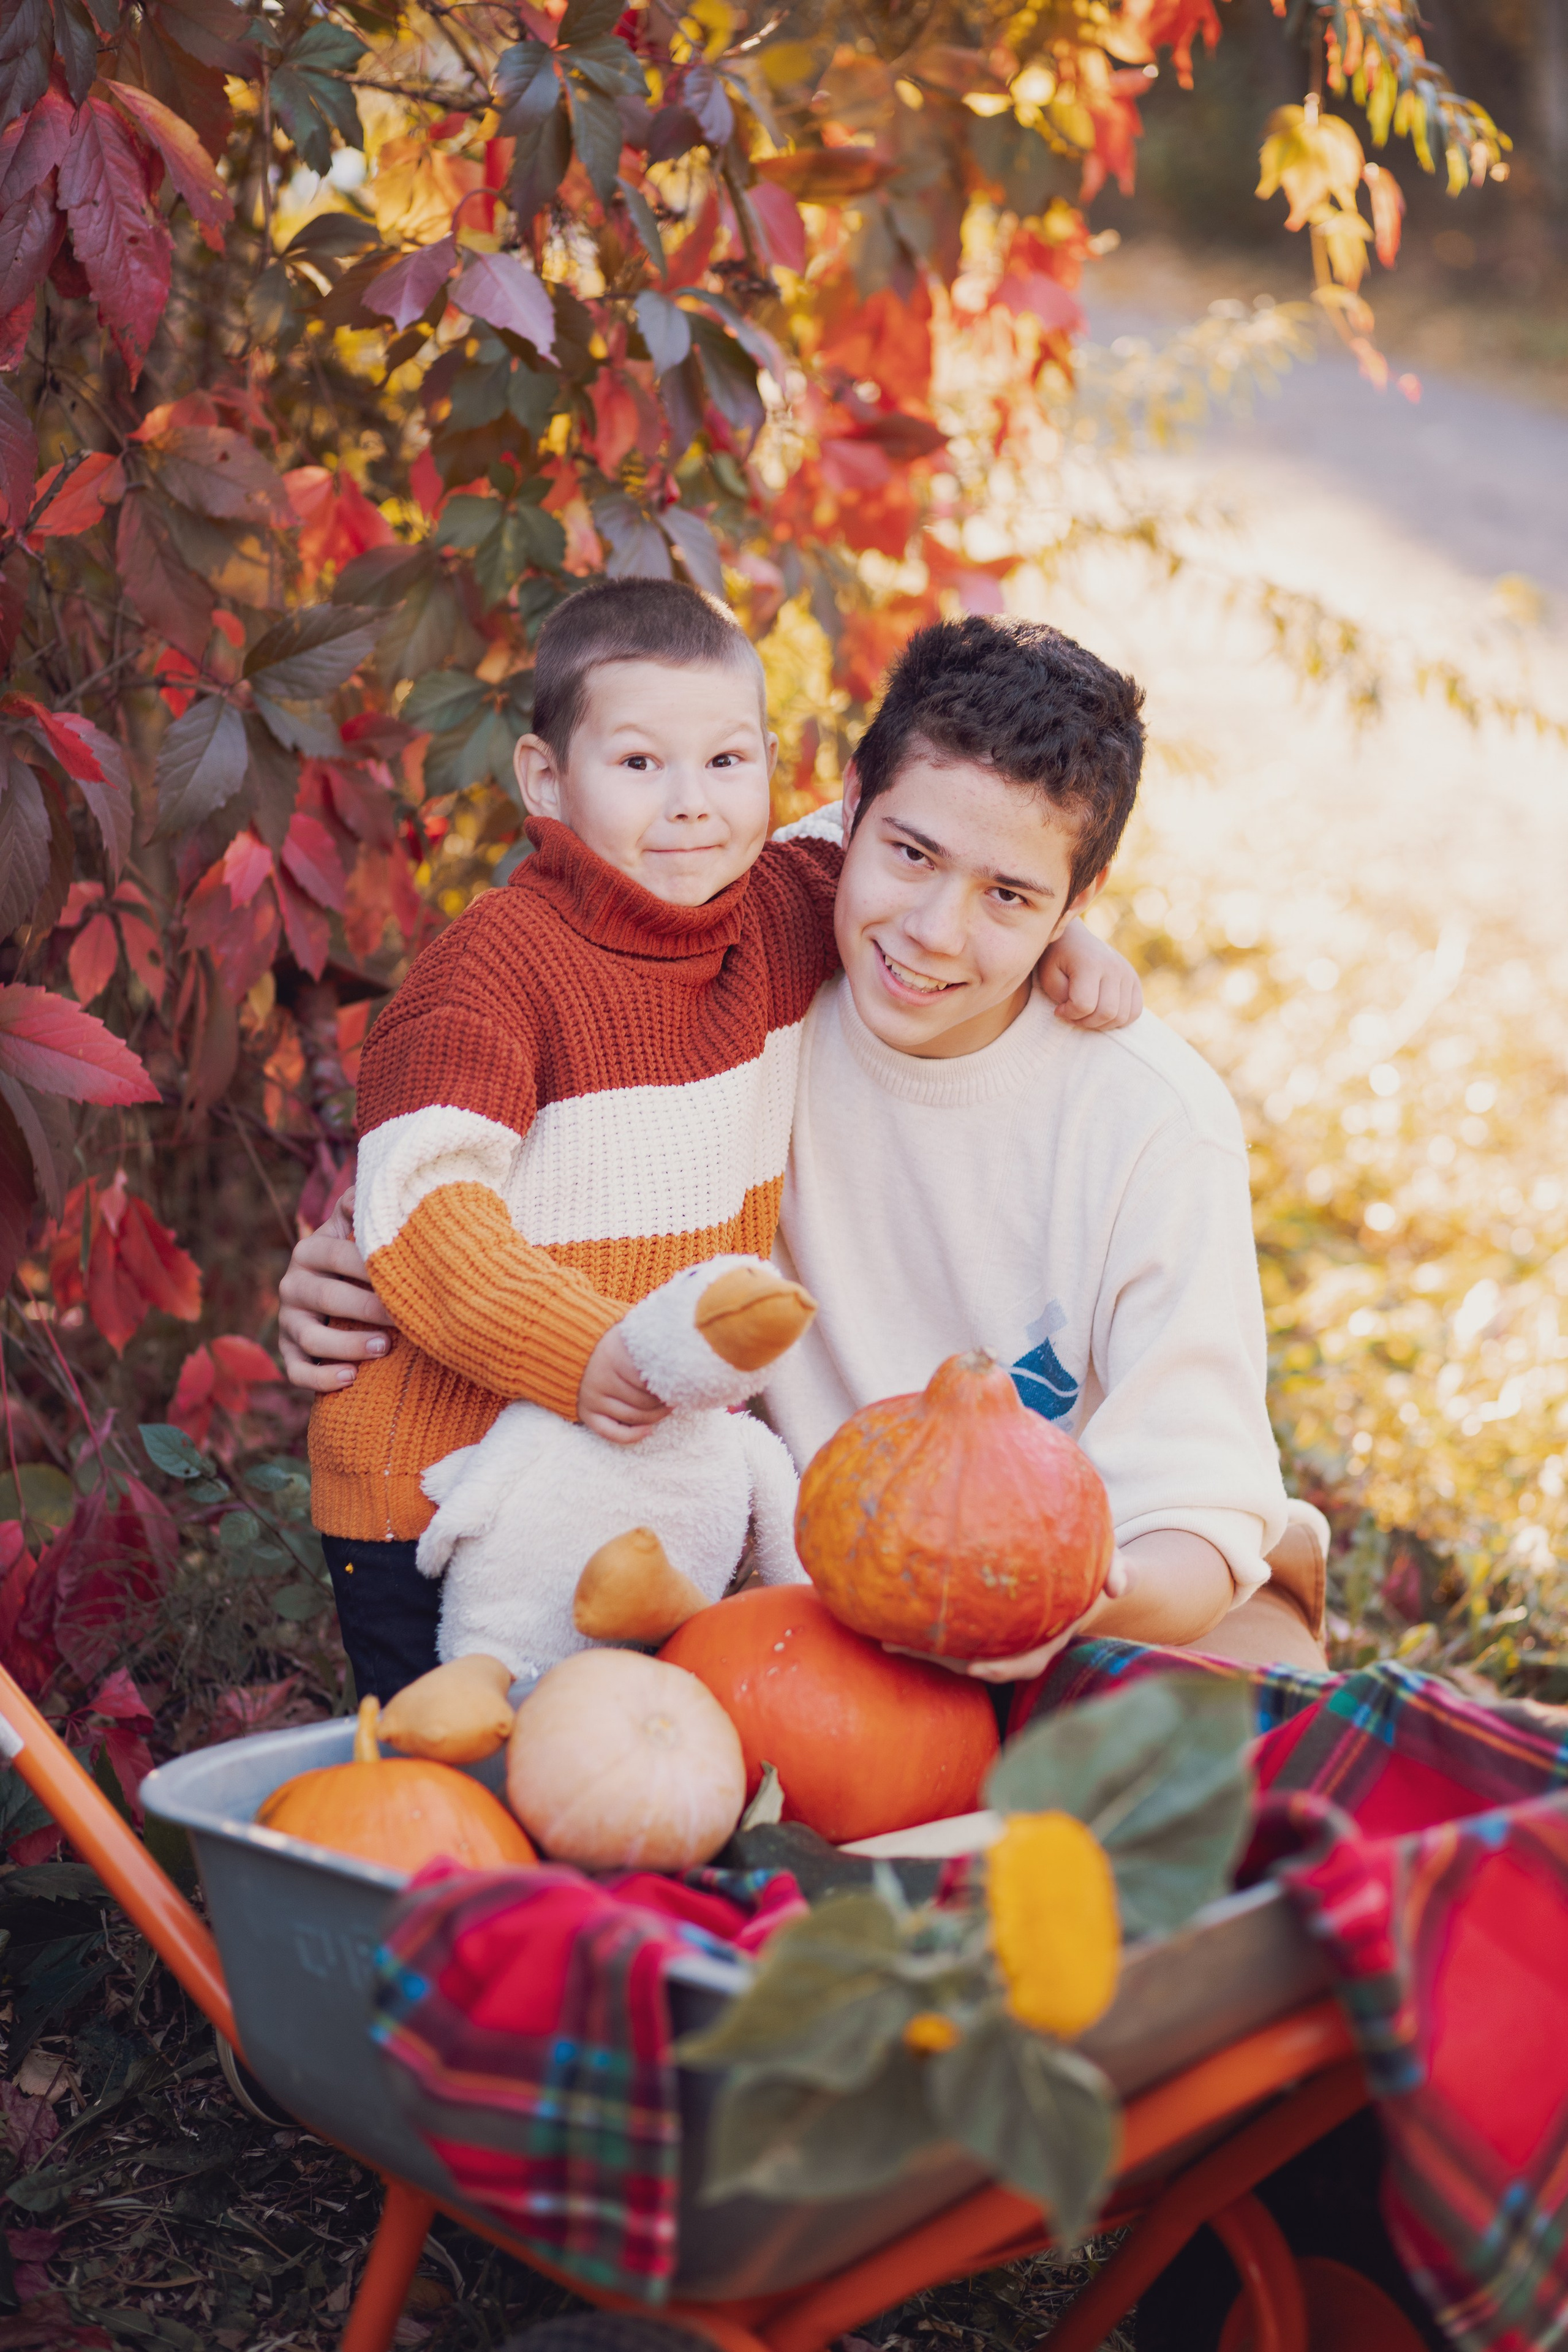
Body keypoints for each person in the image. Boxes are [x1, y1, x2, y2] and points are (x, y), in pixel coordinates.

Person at [302, 588, 1129, 1702]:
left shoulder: (784, 907)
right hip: (442, 1489)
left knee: (616, 1759)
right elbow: (426, 1203)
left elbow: (963, 855)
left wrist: (1064, 935)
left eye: (728, 762)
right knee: (463, 1781)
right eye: (640, 765)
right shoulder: (491, 974)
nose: (693, 807)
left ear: (776, 770)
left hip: (635, 1481)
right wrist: (590, 1353)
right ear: (546, 781)